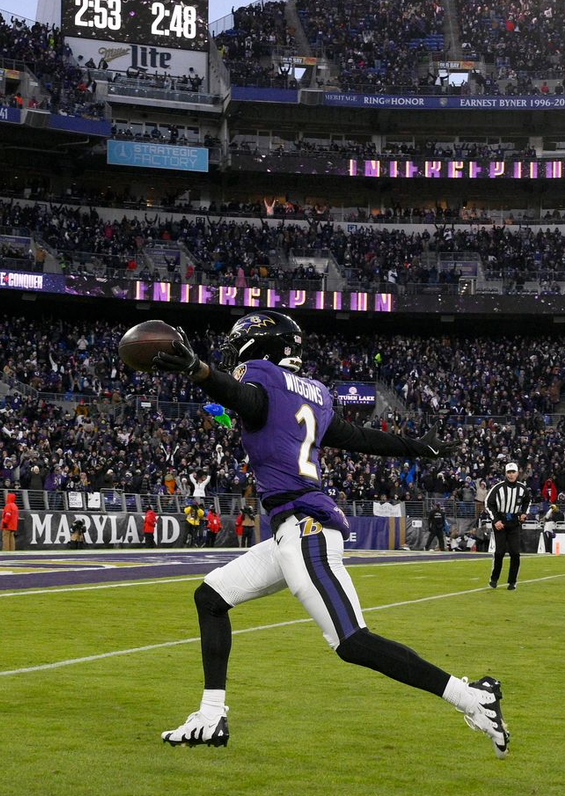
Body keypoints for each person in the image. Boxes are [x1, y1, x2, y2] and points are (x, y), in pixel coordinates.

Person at [151, 311, 509, 756]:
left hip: (306, 529)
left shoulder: (259, 380)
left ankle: (473, 698)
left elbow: (245, 398)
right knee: (211, 597)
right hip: (291, 532)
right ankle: (210, 716)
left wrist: (200, 371)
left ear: (260, 347)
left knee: (352, 641)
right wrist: (421, 447)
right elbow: (360, 437)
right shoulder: (314, 395)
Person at [484, 462, 529, 590]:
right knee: (499, 552)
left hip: (514, 522)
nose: (511, 475)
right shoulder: (498, 488)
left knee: (515, 553)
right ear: (505, 473)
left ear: (517, 473)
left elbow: (527, 501)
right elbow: (488, 503)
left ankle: (512, 581)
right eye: (508, 472)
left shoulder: (522, 488)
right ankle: (494, 579)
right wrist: (496, 520)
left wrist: (524, 513)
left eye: (513, 472)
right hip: (501, 522)